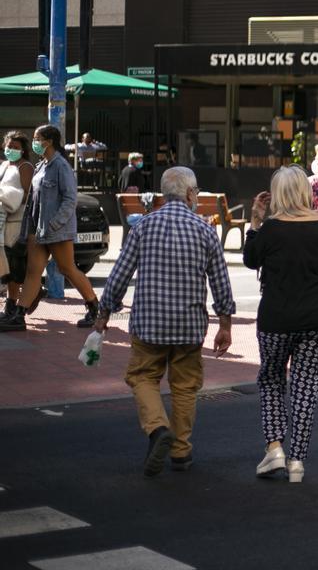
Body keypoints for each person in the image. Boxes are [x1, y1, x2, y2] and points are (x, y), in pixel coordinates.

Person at [91, 166, 234, 476]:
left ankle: (157, 429)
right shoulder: (205, 229)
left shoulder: (143, 227)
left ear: (162, 194)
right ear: (191, 194)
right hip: (189, 327)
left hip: (149, 325)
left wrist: (104, 313)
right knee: (184, 387)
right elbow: (221, 282)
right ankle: (181, 452)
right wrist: (225, 323)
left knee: (142, 376)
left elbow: (119, 276)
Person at [245, 166, 318, 484]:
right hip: (317, 321)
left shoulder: (270, 229)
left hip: (275, 320)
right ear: (306, 193)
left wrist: (255, 220)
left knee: (270, 380)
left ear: (276, 194)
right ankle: (297, 462)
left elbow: (251, 259)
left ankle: (274, 447)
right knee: (306, 387)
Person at [0, 125, 102, 331]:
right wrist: (30, 229)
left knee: (68, 269)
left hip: (57, 231)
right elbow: (33, 200)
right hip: (38, 230)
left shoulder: (61, 166)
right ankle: (19, 316)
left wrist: (54, 224)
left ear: (49, 141)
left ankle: (94, 309)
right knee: (33, 272)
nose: (35, 142)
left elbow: (70, 199)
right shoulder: (41, 166)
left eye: (38, 139)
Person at [0, 132, 34, 317]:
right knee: (5, 266)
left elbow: (30, 195)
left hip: (17, 222)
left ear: (23, 150)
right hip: (3, 221)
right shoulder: (4, 165)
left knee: (14, 266)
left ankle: (12, 304)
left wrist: (9, 199)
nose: (11, 150)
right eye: (8, 146)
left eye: (15, 147)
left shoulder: (25, 166)